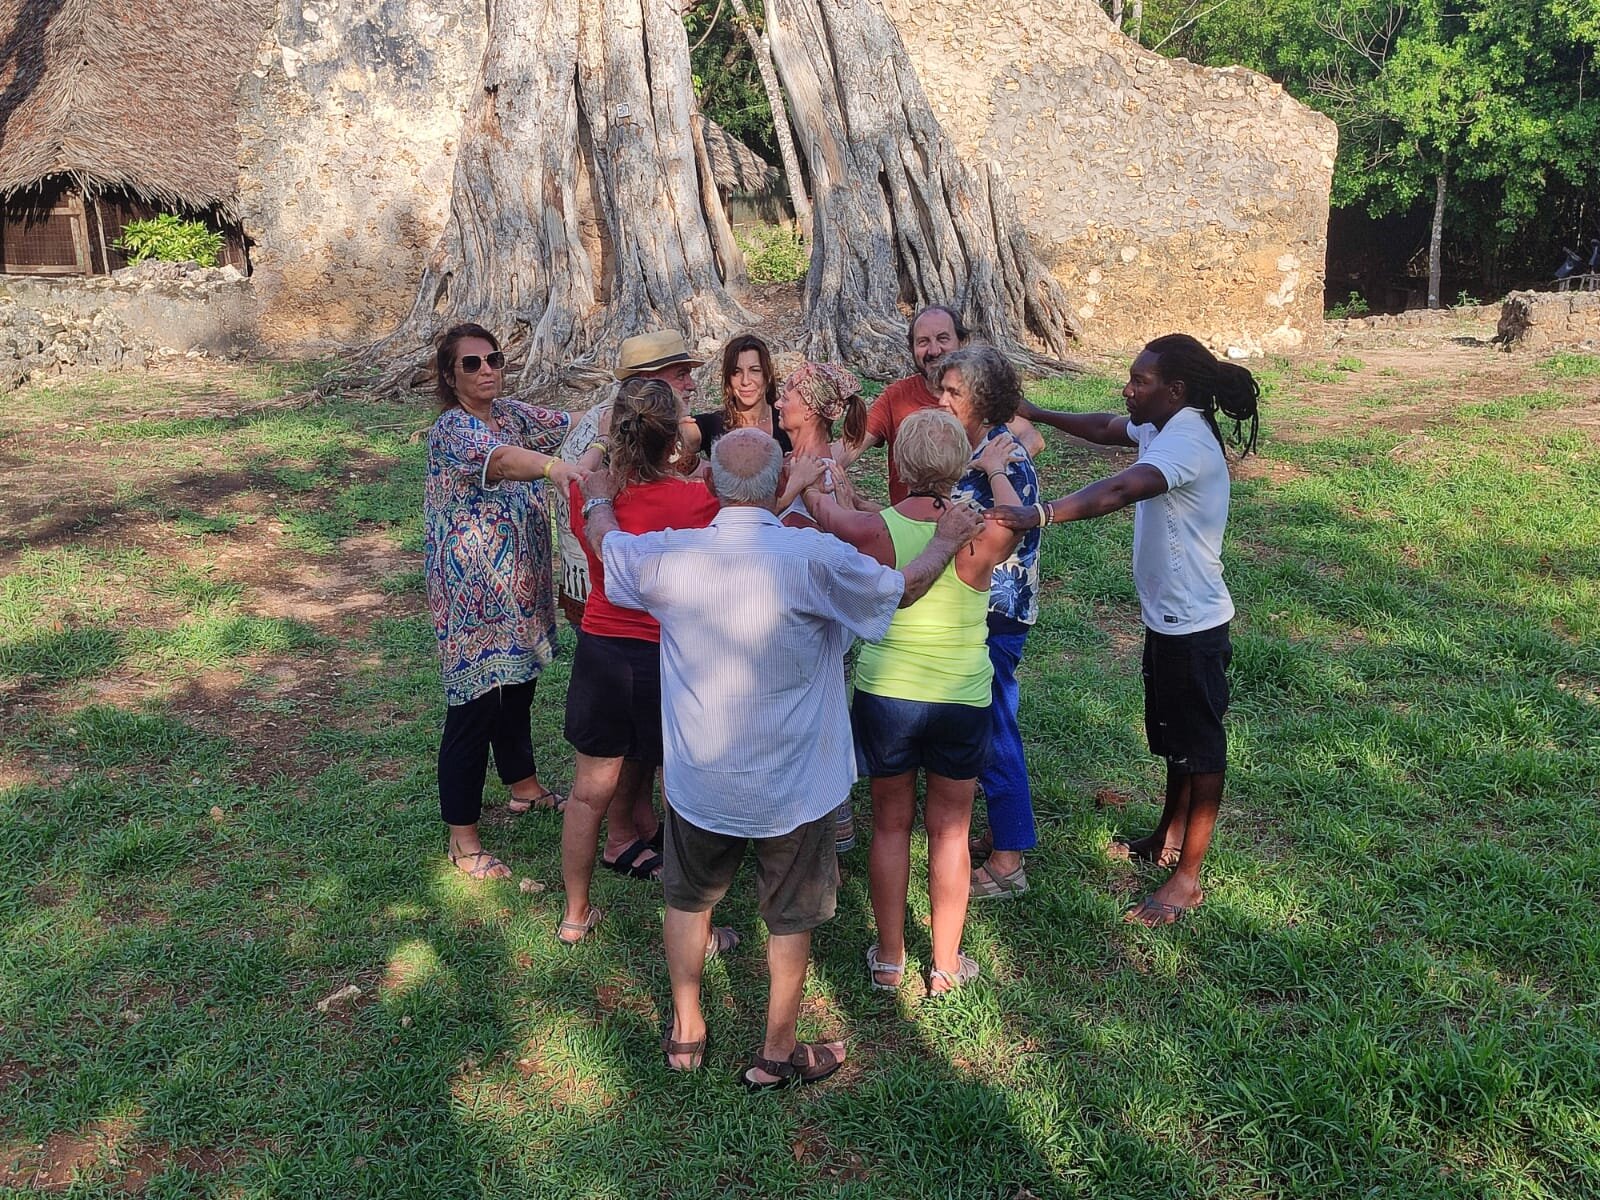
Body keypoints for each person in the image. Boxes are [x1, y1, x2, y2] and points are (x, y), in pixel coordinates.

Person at [581, 428, 984, 1083]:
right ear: (775, 488)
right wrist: (943, 540)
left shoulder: (674, 556)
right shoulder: (813, 558)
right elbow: (900, 589)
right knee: (790, 918)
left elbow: (609, 547)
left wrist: (598, 496)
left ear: (711, 485)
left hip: (703, 780)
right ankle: (775, 1052)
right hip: (797, 781)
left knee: (688, 902)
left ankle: (686, 1032)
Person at [992, 334, 1260, 925]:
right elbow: (1111, 427)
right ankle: (1167, 836)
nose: (1128, 389)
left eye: (1140, 382)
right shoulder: (1163, 424)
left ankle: (1187, 876)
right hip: (1169, 620)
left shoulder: (1186, 437)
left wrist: (1040, 513)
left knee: (1201, 746)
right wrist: (1038, 413)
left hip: (1195, 625)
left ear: (1177, 390)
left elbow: (1122, 487)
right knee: (1173, 737)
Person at [798, 410, 1023, 995]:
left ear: (897, 463)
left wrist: (822, 482)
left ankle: (890, 958)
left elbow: (824, 512)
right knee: (951, 831)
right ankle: (945, 963)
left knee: (890, 827)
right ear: (959, 465)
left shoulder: (876, 530)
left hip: (886, 695)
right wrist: (994, 470)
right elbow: (1016, 519)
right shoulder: (982, 528)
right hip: (961, 695)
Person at [556, 378, 724, 943]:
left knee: (587, 792)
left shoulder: (591, 492)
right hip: (667, 654)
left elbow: (585, 480)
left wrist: (603, 448)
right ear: (673, 438)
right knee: (681, 791)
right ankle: (697, 919)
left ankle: (575, 913)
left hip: (602, 648)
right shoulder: (696, 499)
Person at [424, 323, 587, 879]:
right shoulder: (451, 430)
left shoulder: (512, 413)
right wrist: (552, 467)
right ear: (451, 376)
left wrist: (629, 400)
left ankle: (524, 788)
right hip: (471, 599)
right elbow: (501, 461)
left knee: (518, 690)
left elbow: (574, 426)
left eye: (493, 359)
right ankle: (463, 842)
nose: (487, 369)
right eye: (471, 364)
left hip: (520, 588)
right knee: (474, 710)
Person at [937, 346, 1041, 900]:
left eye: (954, 391)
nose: (942, 399)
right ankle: (999, 835)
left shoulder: (1007, 456)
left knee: (996, 728)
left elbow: (1011, 524)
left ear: (983, 398)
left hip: (995, 614)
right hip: (975, 610)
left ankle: (1009, 859)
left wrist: (994, 471)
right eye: (943, 388)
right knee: (985, 726)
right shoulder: (977, 448)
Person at [551, 330, 707, 628]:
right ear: (646, 380)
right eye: (681, 375)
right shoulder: (629, 429)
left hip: (594, 593)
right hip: (618, 600)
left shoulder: (609, 419)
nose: (692, 385)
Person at [833, 305, 1043, 505]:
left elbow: (1032, 439)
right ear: (912, 348)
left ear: (962, 342)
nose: (934, 350)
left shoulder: (980, 399)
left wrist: (988, 470)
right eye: (923, 342)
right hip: (913, 523)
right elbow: (847, 449)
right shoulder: (897, 396)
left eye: (943, 339)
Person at [691, 333, 793, 454]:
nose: (745, 381)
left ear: (768, 376)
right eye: (736, 372)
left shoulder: (788, 422)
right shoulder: (713, 425)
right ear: (728, 379)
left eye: (754, 370)